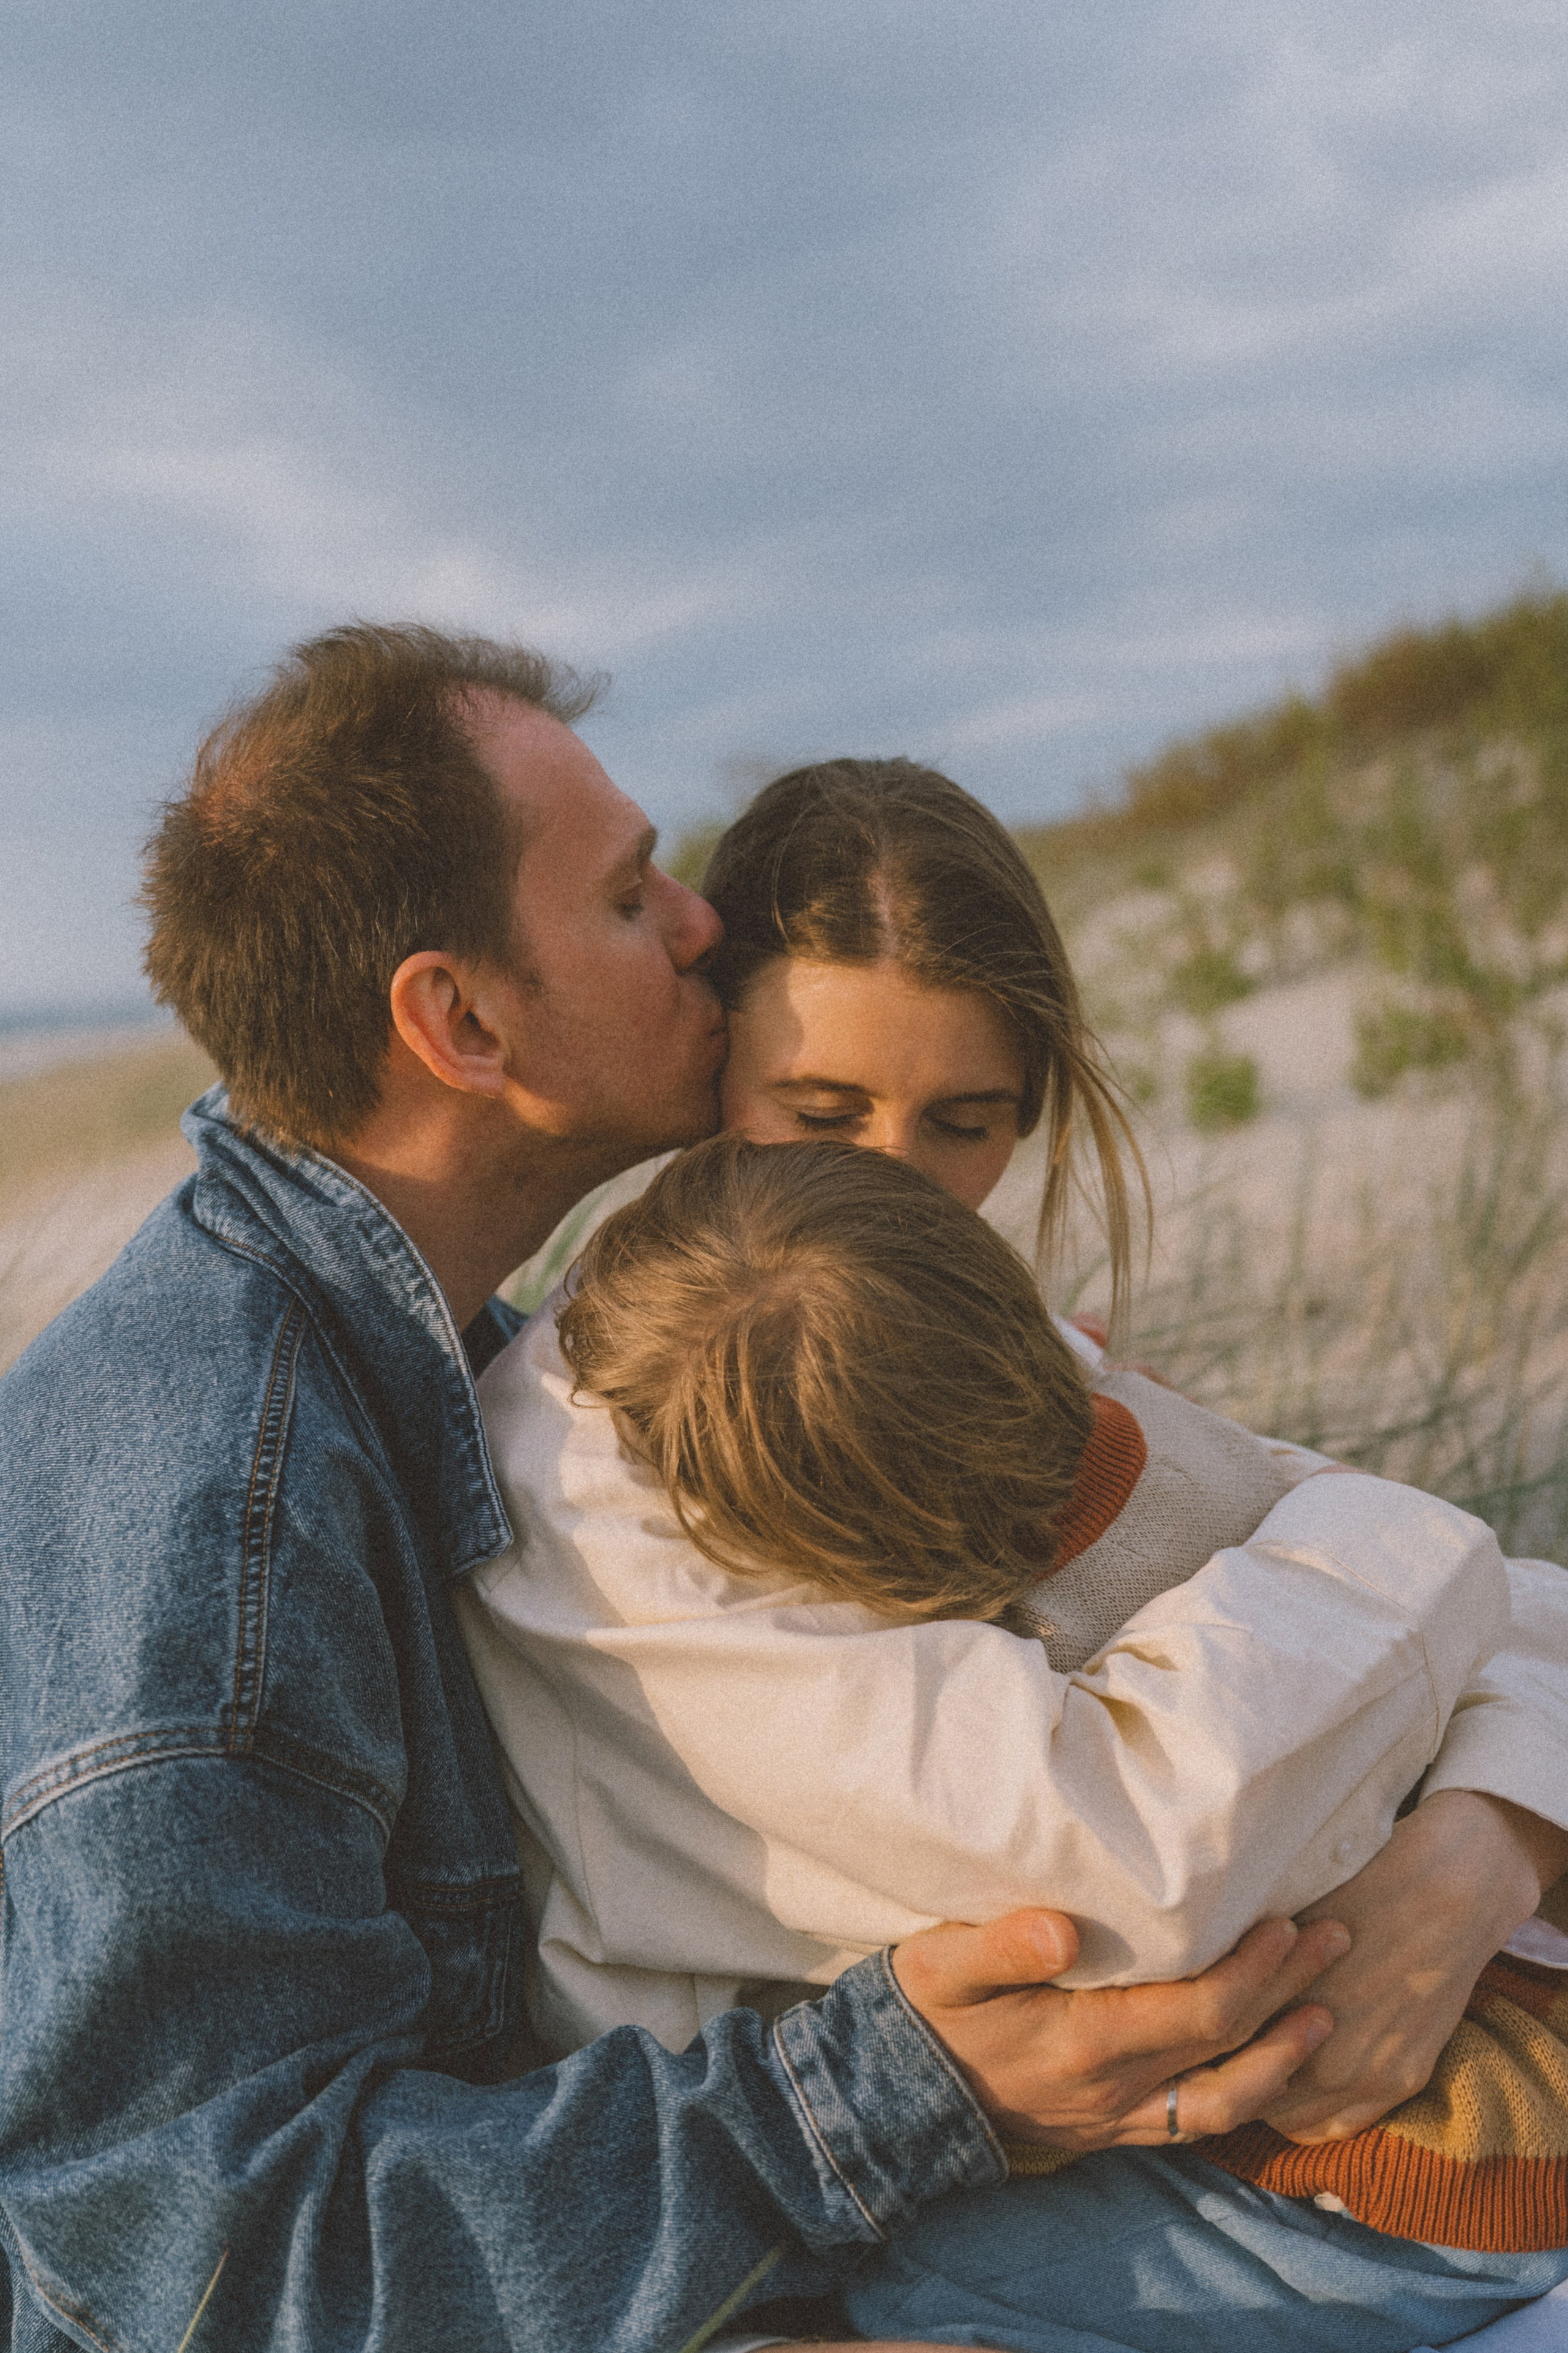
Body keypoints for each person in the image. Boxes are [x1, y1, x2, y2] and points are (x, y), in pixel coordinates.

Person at [0, 628, 1363, 2353]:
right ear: (464, 1017)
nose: (703, 920)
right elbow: (214, 2268)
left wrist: (1472, 1841)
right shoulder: (219, 1507)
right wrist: (881, 2095)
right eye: (634, 896)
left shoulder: (436, 1359)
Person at [462, 757, 1568, 2351]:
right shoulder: (612, 1456)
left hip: (1233, 2118)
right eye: (821, 1113)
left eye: (965, 1120)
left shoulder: (979, 1329)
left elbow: (1501, 1606)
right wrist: (1407, 1554)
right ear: (713, 1058)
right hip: (869, 2223)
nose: (894, 1185)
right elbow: (1131, 1857)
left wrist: (1484, 1842)